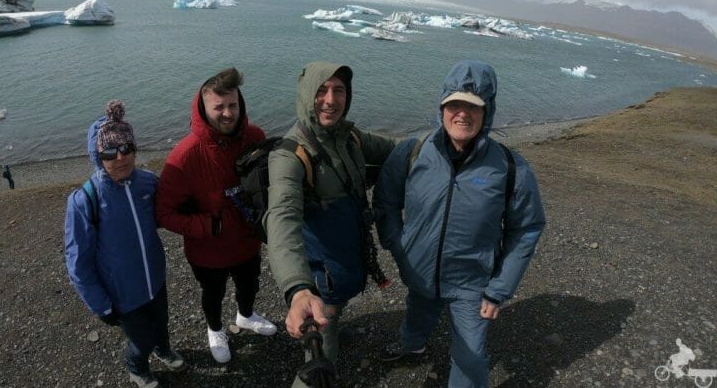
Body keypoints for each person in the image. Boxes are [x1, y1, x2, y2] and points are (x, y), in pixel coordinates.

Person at [373, 60, 546, 388]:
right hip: (419, 269)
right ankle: (412, 343)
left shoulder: (511, 168)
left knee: (470, 357)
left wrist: (498, 291)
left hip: (472, 284)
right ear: (441, 107)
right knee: (418, 310)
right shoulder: (413, 151)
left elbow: (526, 227)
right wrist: (399, 244)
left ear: (488, 111)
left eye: (473, 106)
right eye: (454, 104)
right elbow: (385, 201)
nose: (462, 113)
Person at [264, 61, 396, 387]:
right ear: (307, 95)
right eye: (321, 90)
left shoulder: (348, 137)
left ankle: (335, 323)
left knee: (335, 315)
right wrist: (298, 289)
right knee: (322, 359)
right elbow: (282, 219)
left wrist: (439, 146)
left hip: (346, 259)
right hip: (322, 276)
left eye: (339, 90)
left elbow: (395, 149)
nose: (330, 99)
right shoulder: (289, 156)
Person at [156, 68, 277, 364]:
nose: (227, 113)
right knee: (213, 293)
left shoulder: (255, 136)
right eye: (218, 107)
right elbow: (163, 213)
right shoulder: (184, 155)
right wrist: (207, 225)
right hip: (208, 250)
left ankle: (246, 315)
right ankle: (215, 328)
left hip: (248, 241)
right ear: (203, 108)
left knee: (250, 284)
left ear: (241, 104)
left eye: (232, 105)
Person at [65, 100, 183, 388]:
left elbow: (166, 212)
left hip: (154, 279)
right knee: (140, 339)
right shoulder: (85, 201)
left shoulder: (146, 183)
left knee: (161, 324)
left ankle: (162, 348)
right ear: (97, 155)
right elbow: (77, 263)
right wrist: (101, 306)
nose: (120, 158)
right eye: (109, 152)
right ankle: (136, 365)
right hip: (121, 294)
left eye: (126, 148)